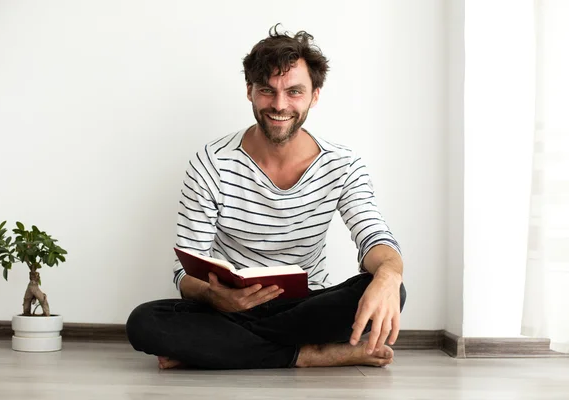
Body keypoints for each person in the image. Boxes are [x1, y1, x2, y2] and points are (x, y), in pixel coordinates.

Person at [126, 25, 406, 370]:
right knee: (144, 322)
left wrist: (390, 276)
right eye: (267, 91)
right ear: (249, 91)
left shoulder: (343, 165)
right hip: (228, 308)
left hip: (305, 306)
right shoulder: (212, 163)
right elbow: (185, 272)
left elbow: (373, 235)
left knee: (391, 288)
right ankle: (310, 354)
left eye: (294, 92)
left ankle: (222, 350)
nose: (279, 105)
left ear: (315, 95)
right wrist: (214, 296)